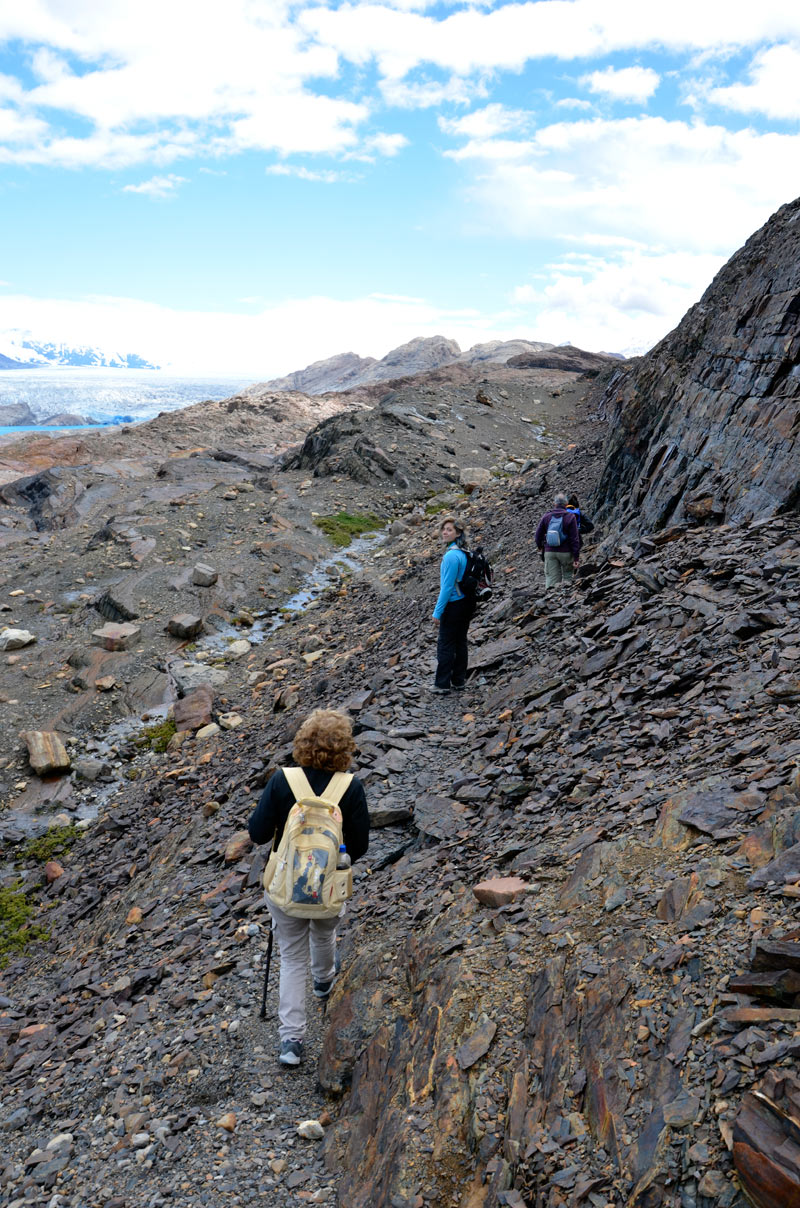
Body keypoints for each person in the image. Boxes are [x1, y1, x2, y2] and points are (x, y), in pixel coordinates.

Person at [248, 709, 369, 1067]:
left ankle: (291, 1040)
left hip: (284, 889)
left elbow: (256, 833)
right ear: (345, 749)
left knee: (291, 956)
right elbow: (359, 847)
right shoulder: (351, 787)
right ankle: (324, 981)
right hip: (329, 889)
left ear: (303, 743)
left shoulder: (283, 781)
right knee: (324, 932)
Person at [432, 516, 475, 693]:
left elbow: (447, 587)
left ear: (457, 533)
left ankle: (442, 684)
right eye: (444, 529)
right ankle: (458, 681)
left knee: (446, 644)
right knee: (460, 642)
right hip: (467, 602)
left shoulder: (450, 556)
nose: (445, 532)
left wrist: (437, 612)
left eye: (449, 529)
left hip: (454, 605)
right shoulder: (464, 553)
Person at [535, 491, 580, 589]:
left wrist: (540, 546)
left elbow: (538, 535)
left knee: (552, 579)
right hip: (566, 553)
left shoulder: (546, 516)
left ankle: (550, 600)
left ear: (554, 503)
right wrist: (576, 557)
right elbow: (574, 539)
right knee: (568, 576)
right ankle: (566, 599)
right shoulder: (570, 517)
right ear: (566, 504)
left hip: (550, 552)